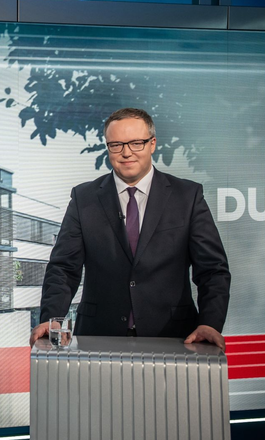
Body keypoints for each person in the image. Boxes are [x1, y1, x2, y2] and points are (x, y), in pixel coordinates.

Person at [31, 108, 230, 349]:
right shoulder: (84, 198)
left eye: (136, 143)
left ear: (152, 144)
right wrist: (51, 319)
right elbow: (63, 268)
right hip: (98, 337)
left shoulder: (187, 196)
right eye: (116, 145)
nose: (126, 153)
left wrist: (210, 322)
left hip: (175, 337)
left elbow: (212, 269)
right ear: (108, 147)